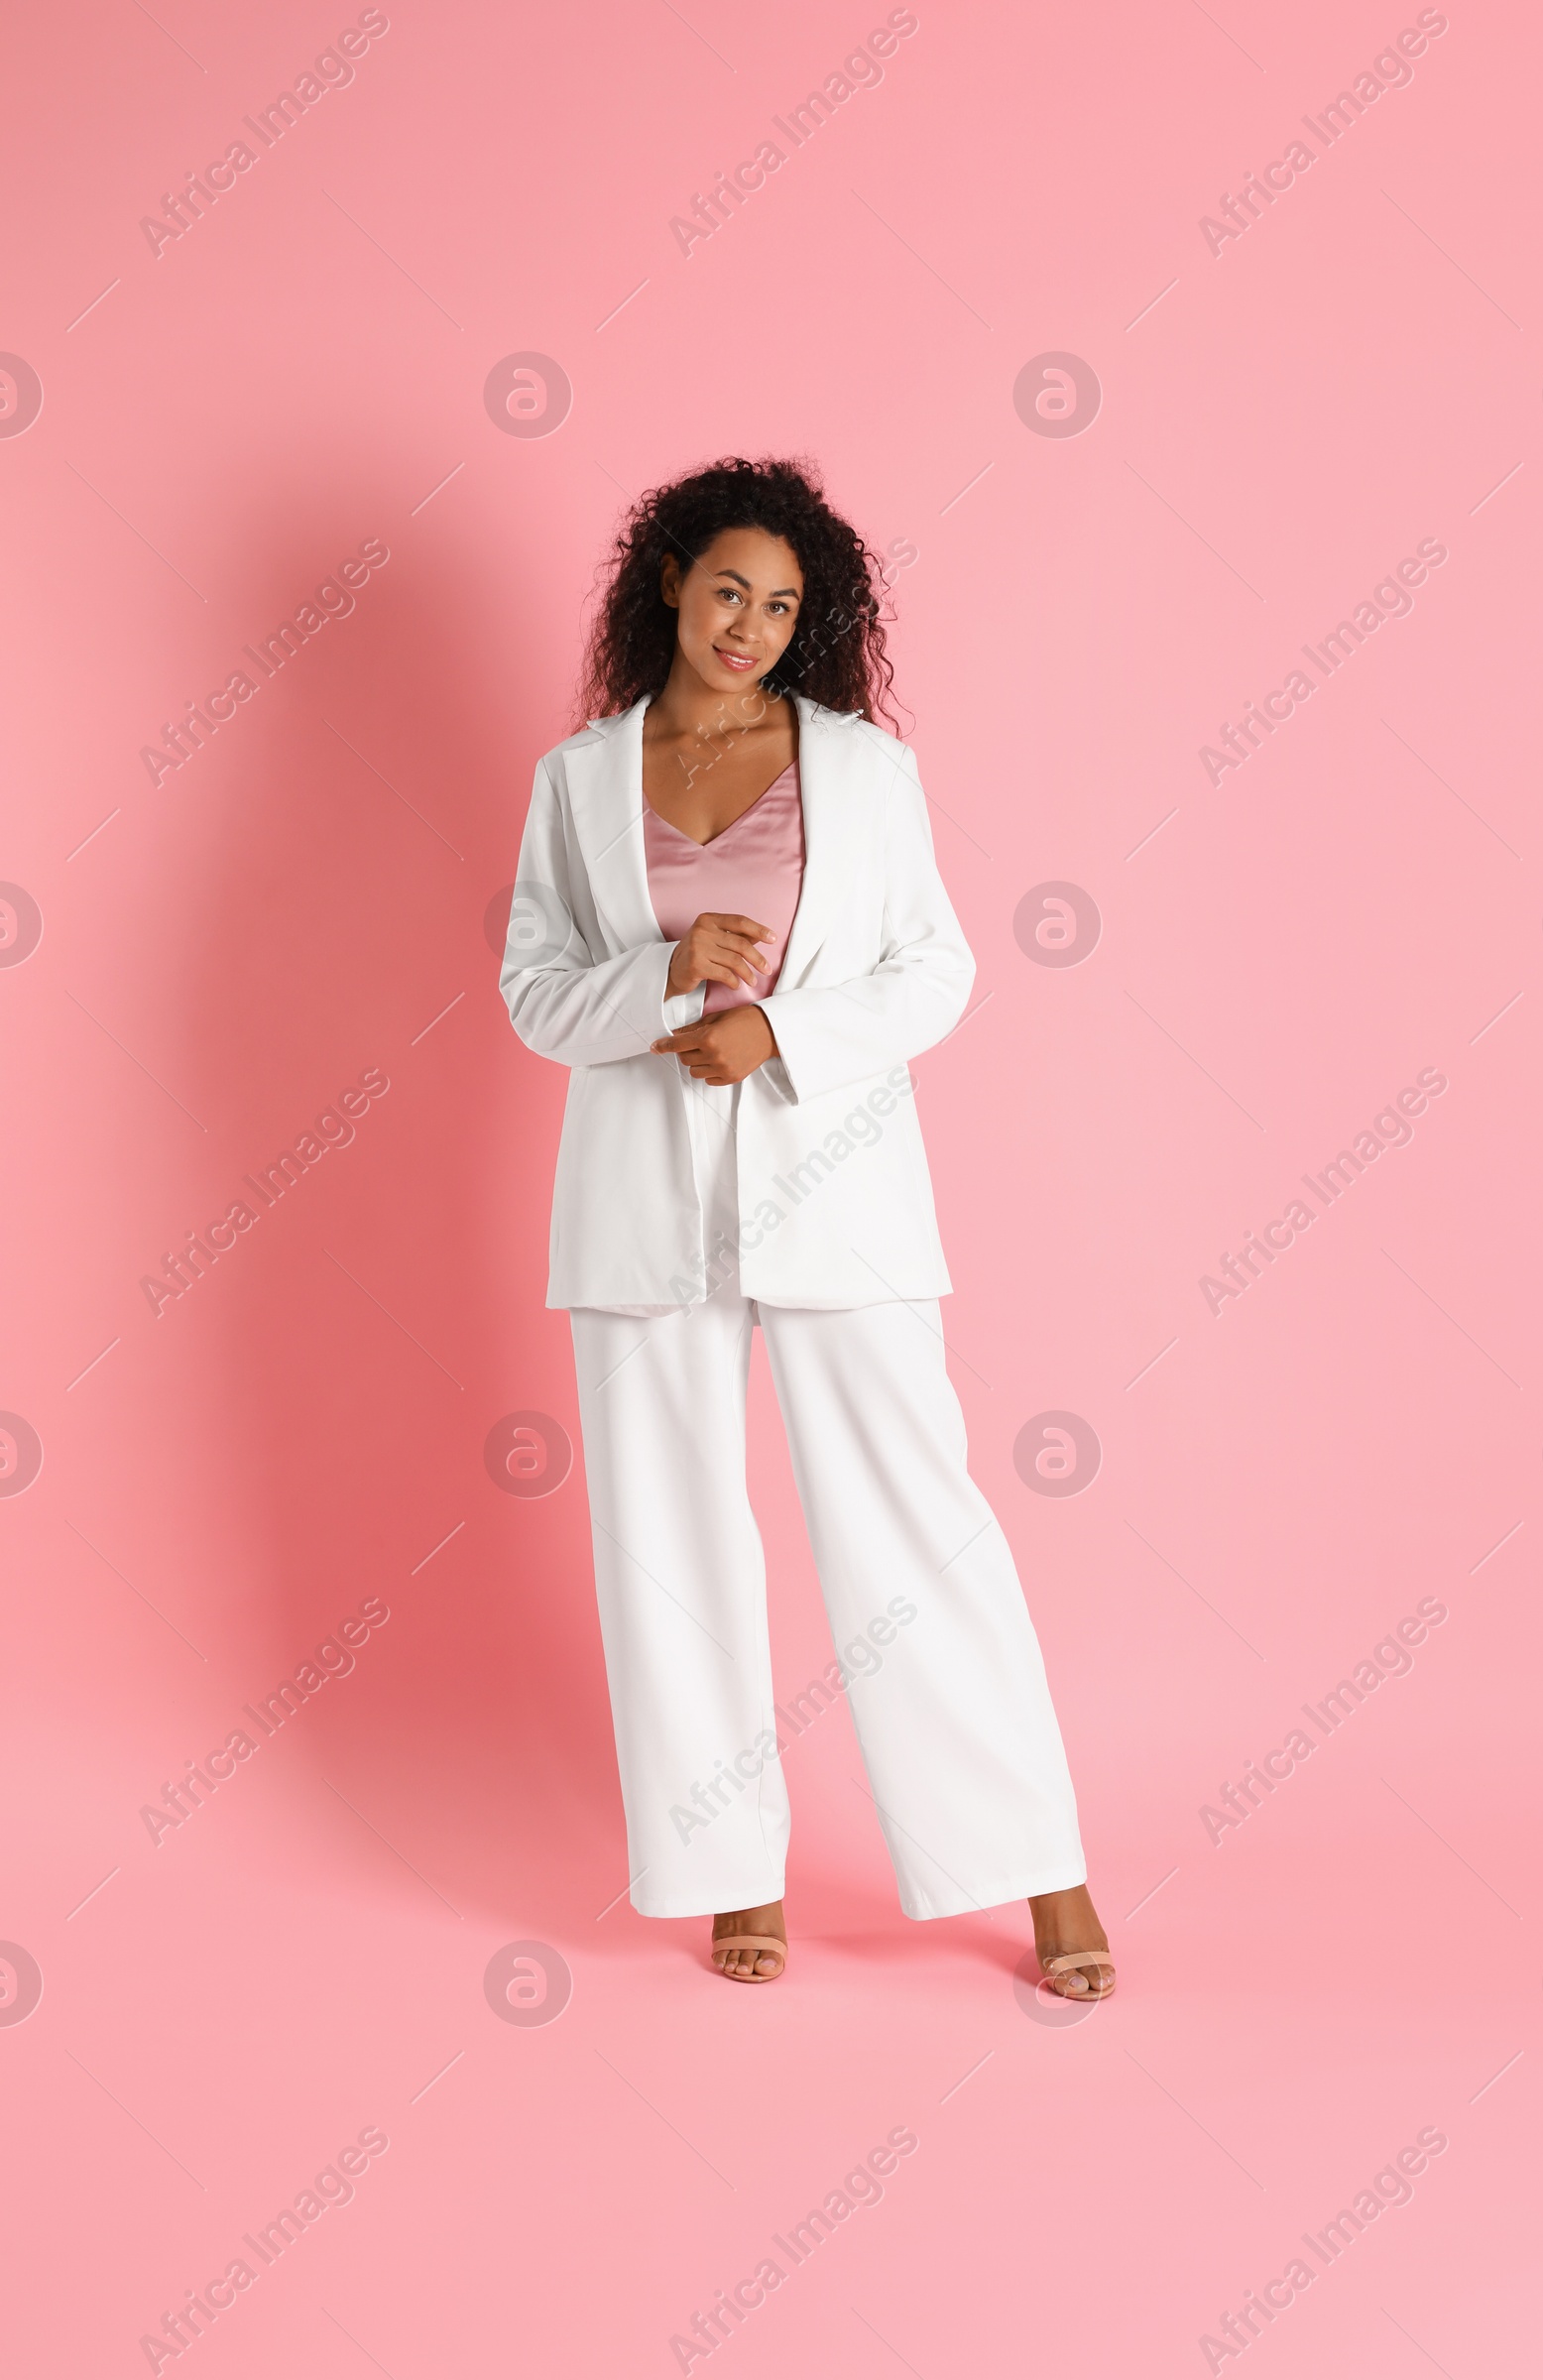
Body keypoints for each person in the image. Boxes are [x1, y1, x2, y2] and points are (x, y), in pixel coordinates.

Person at [500, 456, 1114, 1996]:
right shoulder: (579, 777)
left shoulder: (862, 770)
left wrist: (775, 1033)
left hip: (832, 1190)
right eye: (728, 593)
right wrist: (658, 989)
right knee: (669, 1545)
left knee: (914, 1523)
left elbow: (934, 973)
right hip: (643, 1210)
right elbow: (529, 991)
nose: (751, 628)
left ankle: (1038, 1871)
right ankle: (727, 1873)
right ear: (668, 584)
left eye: (781, 606)